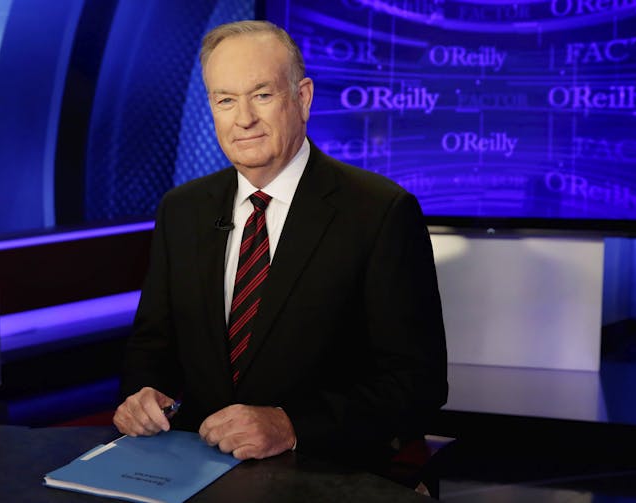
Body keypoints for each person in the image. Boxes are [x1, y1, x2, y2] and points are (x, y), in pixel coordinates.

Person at [113, 20, 447, 467]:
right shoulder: (182, 209)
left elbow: (419, 384)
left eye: (262, 95)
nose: (243, 118)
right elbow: (151, 348)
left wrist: (292, 426)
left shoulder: (380, 212)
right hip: (196, 470)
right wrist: (143, 396)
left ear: (302, 98)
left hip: (322, 473)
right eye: (225, 100)